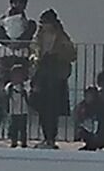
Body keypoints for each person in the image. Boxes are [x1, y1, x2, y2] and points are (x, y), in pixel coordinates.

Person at [0, 0, 36, 139]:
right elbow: (0, 36)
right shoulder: (2, 21)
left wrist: (18, 42)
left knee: (18, 100)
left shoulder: (28, 23)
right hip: (5, 63)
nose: (19, 6)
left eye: (22, 3)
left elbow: (28, 36)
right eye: (16, 2)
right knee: (1, 97)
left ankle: (13, 131)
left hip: (20, 63)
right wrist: (11, 43)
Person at [31, 10, 76, 148]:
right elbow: (33, 51)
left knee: (53, 108)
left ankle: (51, 138)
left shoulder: (61, 37)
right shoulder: (38, 37)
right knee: (42, 108)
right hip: (42, 73)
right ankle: (46, 137)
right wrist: (35, 59)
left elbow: (72, 54)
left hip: (56, 74)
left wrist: (58, 54)